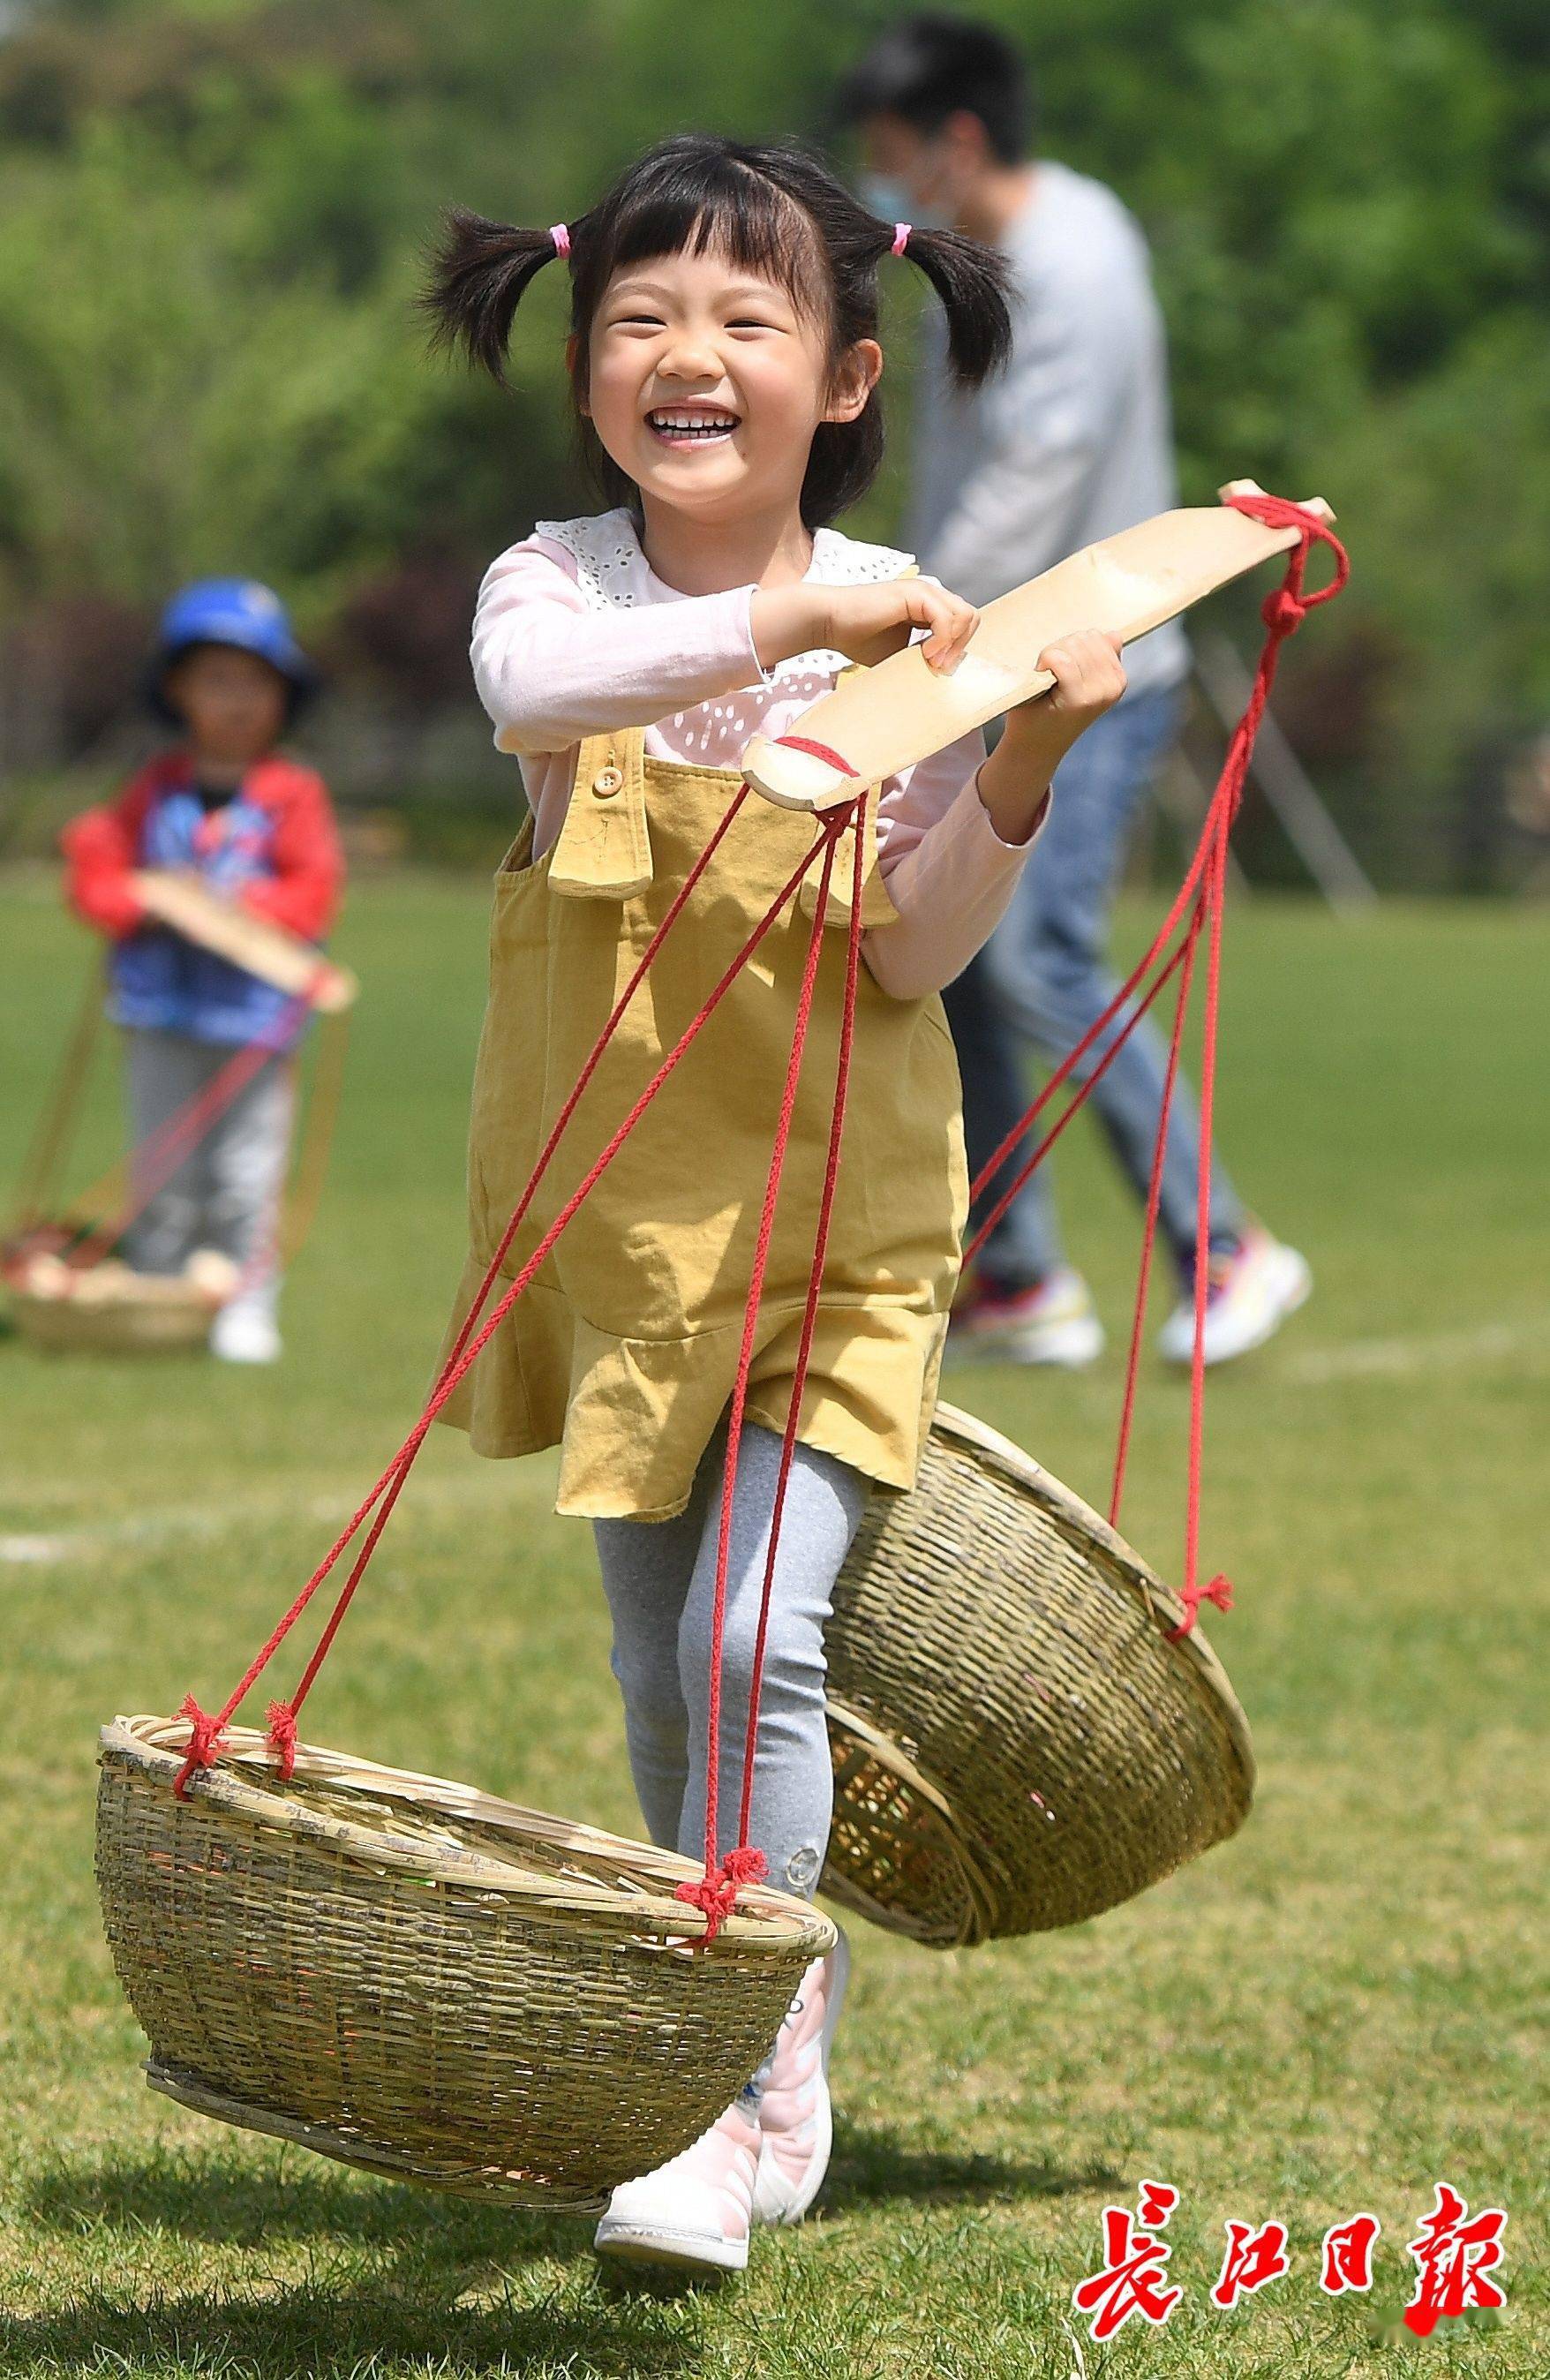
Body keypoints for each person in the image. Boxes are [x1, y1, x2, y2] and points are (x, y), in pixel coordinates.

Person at [424, 133, 1126, 2275]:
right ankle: (776, 2041)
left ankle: (729, 2110)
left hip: (837, 1218)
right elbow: (539, 707)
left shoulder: (910, 624)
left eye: (743, 318)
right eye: (638, 317)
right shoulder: (549, 591)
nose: (683, 355)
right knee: (665, 1681)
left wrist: (1000, 777)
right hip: (625, 1224)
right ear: (581, 370)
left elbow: (908, 957)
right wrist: (773, 626)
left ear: (838, 374)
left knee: (752, 1633)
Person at [840, 15, 1311, 1367]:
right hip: (988, 658)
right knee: (964, 964)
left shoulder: (1074, 260)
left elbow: (1030, 483)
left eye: (889, 158)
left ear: (959, 141)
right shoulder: (985, 258)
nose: (885, 187)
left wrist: (895, 615)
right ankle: (1020, 1277)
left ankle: (1226, 1246)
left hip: (1090, 666)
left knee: (1039, 957)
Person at [61, 580, 342, 1364]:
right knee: (163, 1162)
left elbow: (313, 894)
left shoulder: (293, 794)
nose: (238, 700)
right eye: (217, 680)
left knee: (246, 1169)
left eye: (257, 682)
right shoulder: (153, 790)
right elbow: (95, 866)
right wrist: (139, 901)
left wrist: (233, 903)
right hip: (160, 1009)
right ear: (178, 690)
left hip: (255, 1019)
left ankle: (245, 1306)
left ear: (283, 697)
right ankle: (156, 1290)